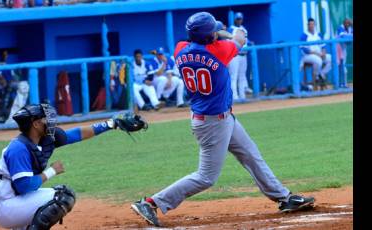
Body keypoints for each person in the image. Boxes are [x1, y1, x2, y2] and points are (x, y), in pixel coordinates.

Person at [130, 12, 315, 227]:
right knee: (206, 177)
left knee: (250, 154)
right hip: (212, 123)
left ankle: (284, 197)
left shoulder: (180, 49)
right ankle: (151, 203)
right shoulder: (220, 50)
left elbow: (200, 41)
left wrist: (214, 33)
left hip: (217, 117)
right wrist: (229, 31)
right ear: (210, 36)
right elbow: (240, 39)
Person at [0, 104, 147, 230]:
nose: (50, 122)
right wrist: (52, 171)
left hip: (15, 201)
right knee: (63, 196)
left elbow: (77, 134)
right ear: (35, 124)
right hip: (5, 206)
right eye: (45, 119)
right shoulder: (19, 148)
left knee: (58, 193)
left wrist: (111, 124)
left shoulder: (45, 139)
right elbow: (24, 187)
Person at [300, 18, 332, 90]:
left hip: (319, 54)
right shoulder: (304, 35)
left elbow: (323, 46)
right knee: (318, 60)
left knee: (331, 58)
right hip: (307, 56)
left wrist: (323, 53)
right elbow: (305, 50)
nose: (311, 26)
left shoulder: (318, 34)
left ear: (315, 25)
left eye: (312, 24)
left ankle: (322, 73)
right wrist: (318, 54)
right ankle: (316, 79)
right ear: (307, 25)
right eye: (309, 24)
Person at [227, 12, 253, 100]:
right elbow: (228, 41)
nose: (239, 21)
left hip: (244, 55)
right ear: (235, 19)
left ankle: (242, 96)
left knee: (242, 76)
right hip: (235, 56)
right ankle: (234, 96)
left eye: (240, 19)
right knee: (233, 76)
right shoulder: (231, 29)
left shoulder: (243, 29)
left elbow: (246, 41)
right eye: (237, 19)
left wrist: (250, 43)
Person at [336, 18, 353, 88]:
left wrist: (352, 24)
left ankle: (343, 84)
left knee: (343, 65)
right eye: (346, 23)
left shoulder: (349, 28)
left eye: (348, 23)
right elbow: (344, 37)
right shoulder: (340, 27)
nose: (347, 24)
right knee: (338, 65)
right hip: (337, 48)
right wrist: (350, 36)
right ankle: (340, 84)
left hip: (343, 48)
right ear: (343, 23)